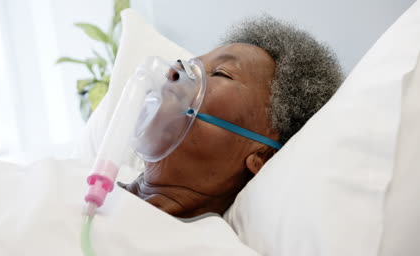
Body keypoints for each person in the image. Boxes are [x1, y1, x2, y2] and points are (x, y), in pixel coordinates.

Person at [120, 15, 344, 218]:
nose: (174, 72)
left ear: (263, 157)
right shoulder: (90, 180)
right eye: (191, 65)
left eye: (221, 73)